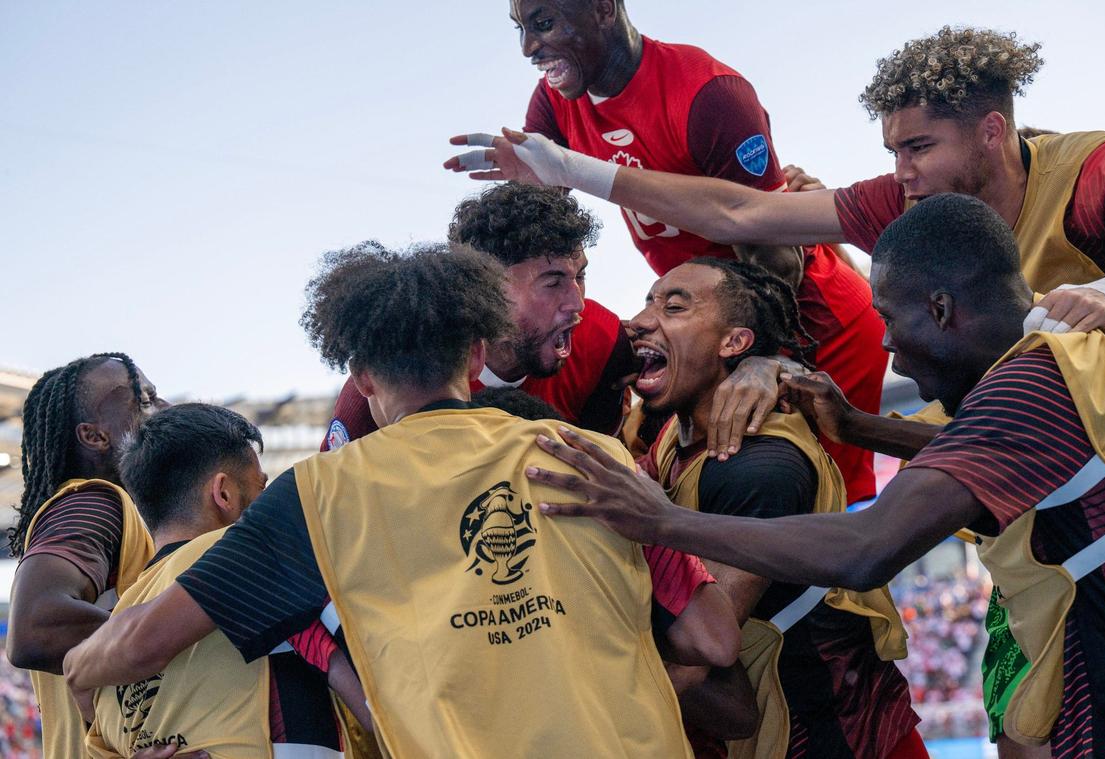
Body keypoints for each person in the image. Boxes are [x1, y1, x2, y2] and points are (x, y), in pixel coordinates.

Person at [64, 242, 742, 757]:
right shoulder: (589, 452)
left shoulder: (319, 494)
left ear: (359, 373)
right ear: (477, 354)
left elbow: (142, 642)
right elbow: (712, 635)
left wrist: (80, 669)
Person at [528, 194, 1105, 758]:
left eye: (891, 321)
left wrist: (661, 521)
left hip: (853, 728)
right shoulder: (1057, 369)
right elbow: (989, 447)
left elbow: (866, 549)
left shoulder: (1025, 387)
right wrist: (856, 426)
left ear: (942, 309)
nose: (890, 350)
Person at [448, 25, 1105, 340]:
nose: (901, 172)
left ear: (992, 132)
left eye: (920, 148)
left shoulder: (1098, 170)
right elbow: (743, 214)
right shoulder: (900, 202)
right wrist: (568, 170)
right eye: (892, 150)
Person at [505, 0, 885, 497]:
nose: (530, 47)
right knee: (685, 490)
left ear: (601, 8)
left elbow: (776, 259)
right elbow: (539, 236)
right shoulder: (556, 98)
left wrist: (764, 359)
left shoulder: (710, 94)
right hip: (699, 330)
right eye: (521, 29)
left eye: (544, 23)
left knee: (800, 506)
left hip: (808, 323)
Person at [627, 256, 921, 758]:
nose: (640, 321)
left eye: (674, 307)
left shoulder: (756, 465)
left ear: (734, 342)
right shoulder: (670, 431)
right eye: (648, 301)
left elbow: (693, 664)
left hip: (827, 737)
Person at [322, 183, 788, 465]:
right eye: (553, 282)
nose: (577, 303)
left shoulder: (602, 339)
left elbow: (706, 360)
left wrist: (766, 365)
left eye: (581, 276)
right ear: (487, 288)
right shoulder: (392, 376)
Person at [85, 402, 369, 758]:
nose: (268, 502)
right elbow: (376, 701)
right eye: (261, 487)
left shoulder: (112, 634)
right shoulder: (259, 560)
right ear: (223, 494)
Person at [5, 353, 166, 759]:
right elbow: (34, 627)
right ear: (94, 436)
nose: (163, 408)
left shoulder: (123, 513)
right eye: (143, 400)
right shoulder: (94, 502)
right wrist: (174, 638)